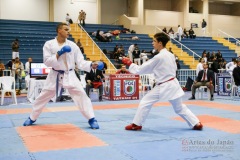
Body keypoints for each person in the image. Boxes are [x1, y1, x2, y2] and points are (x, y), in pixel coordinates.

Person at [23, 23, 101, 129]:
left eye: (68, 29)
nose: (68, 31)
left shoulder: (73, 45)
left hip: (70, 74)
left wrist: (91, 64)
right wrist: (59, 53)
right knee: (42, 97)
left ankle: (92, 118)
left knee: (82, 95)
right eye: (66, 29)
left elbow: (81, 62)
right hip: (55, 75)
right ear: (59, 30)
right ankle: (32, 117)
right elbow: (47, 62)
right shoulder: (49, 44)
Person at [121, 32, 203, 131]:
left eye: (154, 41)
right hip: (173, 84)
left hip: (164, 85)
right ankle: (196, 123)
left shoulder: (159, 57)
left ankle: (136, 124)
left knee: (145, 102)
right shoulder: (170, 55)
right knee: (179, 107)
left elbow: (140, 70)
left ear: (160, 43)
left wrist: (129, 63)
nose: (152, 43)